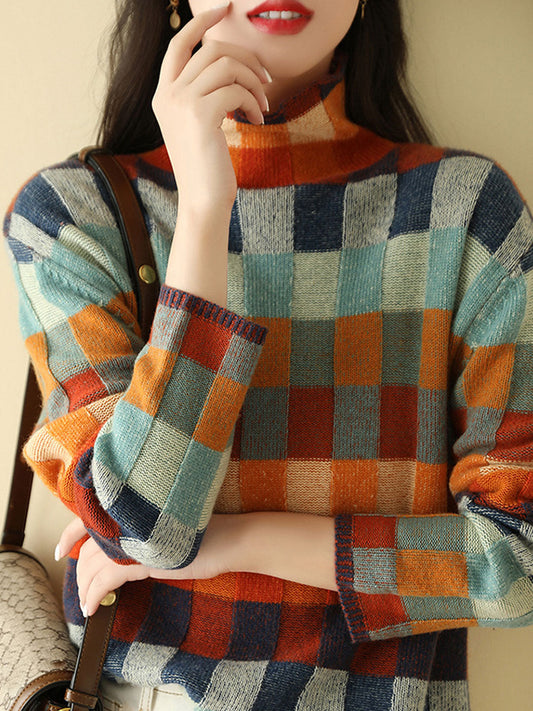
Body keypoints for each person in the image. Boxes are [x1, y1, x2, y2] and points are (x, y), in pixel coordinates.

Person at [4, 0, 533, 709]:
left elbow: (517, 562)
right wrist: (203, 211)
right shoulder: (72, 214)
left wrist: (232, 542)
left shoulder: (465, 209)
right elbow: (143, 524)